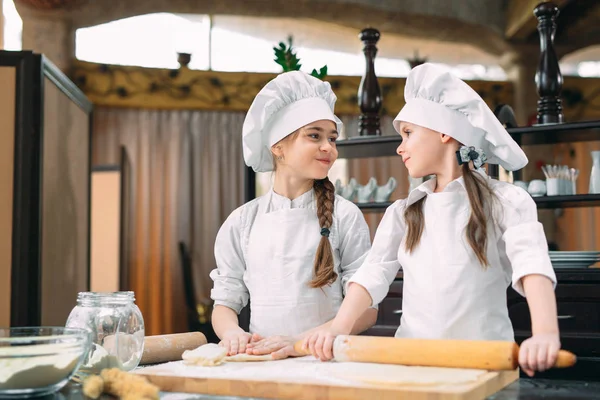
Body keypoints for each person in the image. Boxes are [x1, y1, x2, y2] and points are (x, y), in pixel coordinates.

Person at [302, 63, 560, 377]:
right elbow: (372, 274)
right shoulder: (403, 212)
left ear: (444, 132)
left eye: (408, 133)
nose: (400, 147)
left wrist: (545, 332)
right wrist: (338, 329)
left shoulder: (506, 201)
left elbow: (531, 264)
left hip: (484, 368)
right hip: (412, 367)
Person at [209, 71, 377, 360]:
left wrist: (299, 343)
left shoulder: (345, 217)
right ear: (278, 147)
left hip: (326, 363)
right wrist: (233, 333)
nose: (329, 148)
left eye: (332, 138)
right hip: (261, 363)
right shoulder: (241, 222)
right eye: (314, 136)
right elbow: (224, 302)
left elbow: (366, 311)